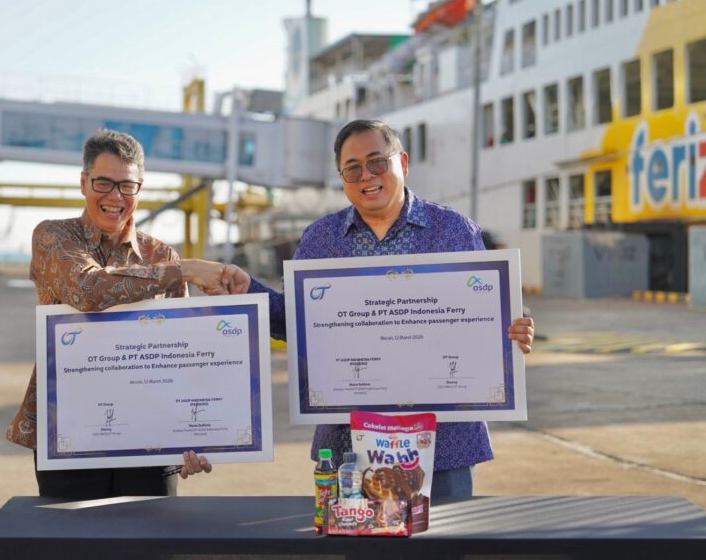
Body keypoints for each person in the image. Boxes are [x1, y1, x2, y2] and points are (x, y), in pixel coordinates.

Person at [221, 119, 535, 500]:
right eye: (352, 168)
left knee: (444, 549)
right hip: (351, 446)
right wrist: (247, 289)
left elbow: (481, 318)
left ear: (402, 162)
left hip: (444, 444)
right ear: (342, 178)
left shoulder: (453, 231)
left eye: (376, 162)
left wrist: (511, 329)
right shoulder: (322, 239)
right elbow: (298, 325)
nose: (366, 175)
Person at [6, 129, 247, 499]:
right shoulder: (53, 237)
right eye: (104, 182)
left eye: (127, 185)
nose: (115, 196)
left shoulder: (160, 254)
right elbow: (87, 290)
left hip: (150, 437)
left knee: (149, 545)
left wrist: (193, 435)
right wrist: (182, 270)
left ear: (139, 188)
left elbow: (179, 354)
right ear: (84, 182)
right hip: (71, 435)